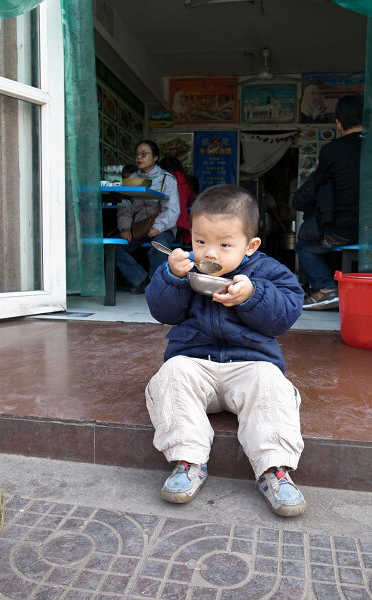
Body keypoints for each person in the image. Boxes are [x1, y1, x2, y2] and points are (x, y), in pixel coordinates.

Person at [145, 184, 307, 517]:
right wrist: (171, 277)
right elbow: (164, 313)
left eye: (224, 244)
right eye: (200, 241)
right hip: (196, 359)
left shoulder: (268, 271)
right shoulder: (187, 267)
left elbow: (286, 313)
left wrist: (253, 296)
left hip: (250, 363)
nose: (210, 254)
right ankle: (187, 461)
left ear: (250, 246)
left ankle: (274, 469)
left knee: (272, 384)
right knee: (170, 376)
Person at [295, 94, 363, 309]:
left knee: (305, 246)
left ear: (338, 123)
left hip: (342, 231)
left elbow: (318, 186)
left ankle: (325, 287)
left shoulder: (332, 150)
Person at [115, 140, 180, 294]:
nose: (139, 157)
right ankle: (141, 280)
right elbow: (125, 207)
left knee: (159, 248)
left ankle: (157, 287)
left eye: (144, 154)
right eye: (137, 154)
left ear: (155, 157)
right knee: (115, 247)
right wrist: (125, 227)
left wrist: (158, 226)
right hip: (138, 228)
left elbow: (172, 209)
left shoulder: (167, 179)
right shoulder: (131, 180)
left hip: (163, 228)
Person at [159, 156, 194, 246]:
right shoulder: (185, 181)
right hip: (181, 227)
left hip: (162, 224)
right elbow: (191, 201)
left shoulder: (161, 180)